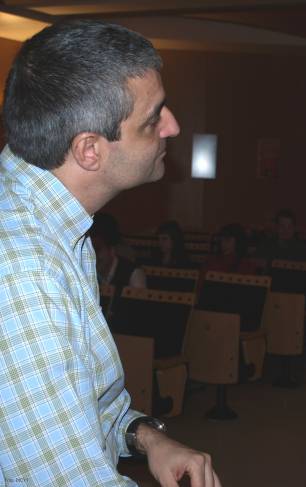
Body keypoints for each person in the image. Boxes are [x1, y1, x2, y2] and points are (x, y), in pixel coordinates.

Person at [0, 20, 220, 486]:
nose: (173, 125)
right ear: (89, 151)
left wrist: (146, 436)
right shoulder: (23, 269)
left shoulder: (54, 221)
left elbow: (84, 403)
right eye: (152, 118)